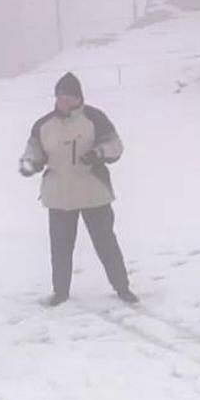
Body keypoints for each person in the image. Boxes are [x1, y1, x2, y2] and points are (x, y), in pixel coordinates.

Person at [19, 72, 138, 307]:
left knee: (106, 243)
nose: (63, 101)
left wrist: (98, 153)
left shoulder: (95, 118)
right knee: (60, 248)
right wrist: (29, 163)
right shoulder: (44, 125)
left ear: (79, 97)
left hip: (93, 193)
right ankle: (60, 292)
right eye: (60, 96)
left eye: (68, 96)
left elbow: (115, 145)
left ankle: (122, 287)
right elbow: (34, 150)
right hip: (59, 195)